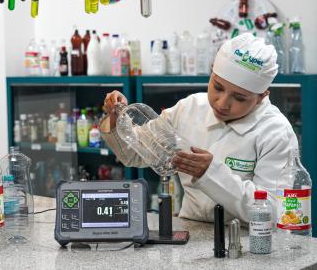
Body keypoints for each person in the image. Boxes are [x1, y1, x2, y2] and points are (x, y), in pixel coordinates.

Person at [100, 33, 298, 222]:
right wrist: (117, 117)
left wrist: (211, 174)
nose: (222, 103)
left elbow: (273, 211)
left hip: (248, 240)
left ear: (261, 97)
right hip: (191, 231)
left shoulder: (275, 132)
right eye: (218, 87)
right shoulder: (189, 109)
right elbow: (133, 154)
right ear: (211, 73)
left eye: (239, 97)